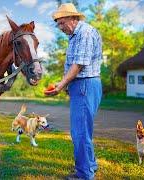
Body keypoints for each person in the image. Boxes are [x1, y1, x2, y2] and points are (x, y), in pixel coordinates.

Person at [44, 3, 102, 180]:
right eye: (58, 24)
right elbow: (75, 66)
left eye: (63, 23)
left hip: (85, 85)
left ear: (74, 18)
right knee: (84, 130)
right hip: (82, 84)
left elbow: (79, 64)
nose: (61, 28)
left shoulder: (84, 33)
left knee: (80, 132)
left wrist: (62, 84)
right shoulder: (75, 35)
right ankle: (89, 165)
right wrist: (64, 83)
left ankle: (84, 175)